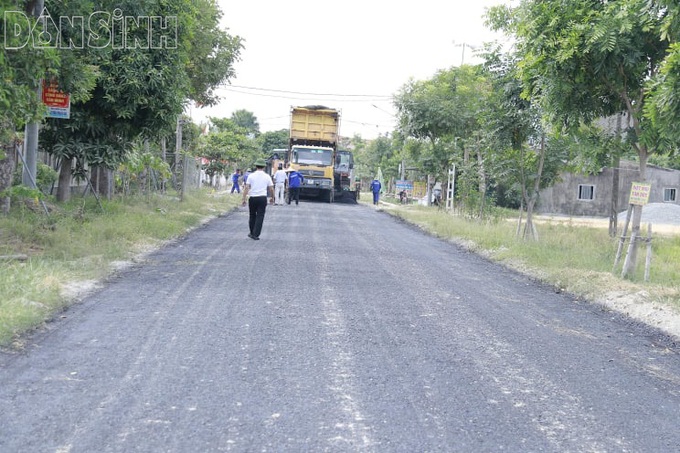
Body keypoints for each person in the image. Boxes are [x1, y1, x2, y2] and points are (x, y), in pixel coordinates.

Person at [241, 159, 274, 240]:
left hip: (253, 198)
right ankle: (256, 234)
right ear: (264, 167)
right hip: (262, 198)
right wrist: (272, 198)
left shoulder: (251, 176)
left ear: (256, 166)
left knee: (252, 215)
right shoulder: (267, 176)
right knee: (260, 216)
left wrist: (244, 199)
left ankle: (252, 232)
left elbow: (246, 188)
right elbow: (271, 189)